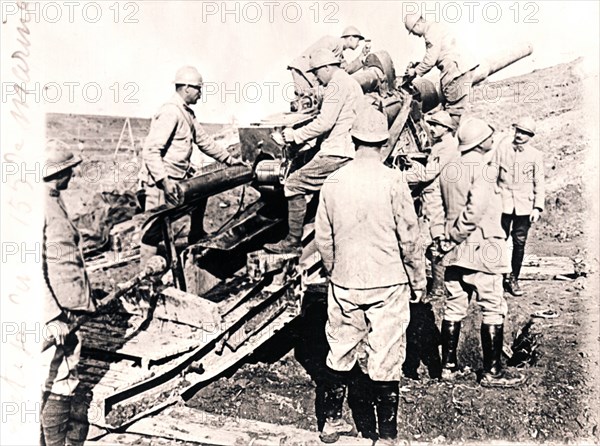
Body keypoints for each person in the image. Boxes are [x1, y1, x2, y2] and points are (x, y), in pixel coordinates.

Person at [315, 107, 427, 443]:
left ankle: (332, 421)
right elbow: (409, 235)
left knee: (340, 348)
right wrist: (418, 279)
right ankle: (387, 437)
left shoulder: (333, 180)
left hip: (345, 280)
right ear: (382, 143)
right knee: (386, 356)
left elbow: (323, 236)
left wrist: (335, 270)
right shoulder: (393, 180)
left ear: (353, 140)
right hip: (388, 281)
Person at [431, 117, 526, 387]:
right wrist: (456, 235)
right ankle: (493, 371)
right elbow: (475, 211)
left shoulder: (450, 168)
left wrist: (442, 237)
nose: (492, 140)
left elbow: (435, 206)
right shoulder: (484, 170)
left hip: (454, 253)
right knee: (493, 308)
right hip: (483, 250)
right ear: (479, 142)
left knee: (454, 306)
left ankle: (448, 367)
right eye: (489, 137)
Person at [139, 66, 242, 266]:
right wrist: (164, 181)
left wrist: (229, 160)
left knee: (200, 192)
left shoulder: (187, 113)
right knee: (152, 232)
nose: (200, 94)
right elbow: (151, 151)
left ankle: (196, 234)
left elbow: (204, 141)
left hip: (176, 177)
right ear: (186, 88)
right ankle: (145, 277)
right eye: (198, 89)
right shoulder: (170, 112)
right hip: (161, 181)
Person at [264, 48, 364, 255]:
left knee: (293, 183)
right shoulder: (350, 83)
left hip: (337, 152)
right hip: (348, 148)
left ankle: (292, 242)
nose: (316, 78)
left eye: (317, 72)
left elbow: (325, 122)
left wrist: (294, 136)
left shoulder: (337, 84)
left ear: (327, 67)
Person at [41, 140, 97, 445]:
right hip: (55, 310)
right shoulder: (38, 206)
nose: (73, 175)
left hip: (66, 305)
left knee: (62, 372)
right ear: (58, 172)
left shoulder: (51, 199)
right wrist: (51, 316)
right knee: (58, 377)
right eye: (69, 169)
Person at [496, 116, 545, 296]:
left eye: (524, 133)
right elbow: (493, 173)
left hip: (524, 207)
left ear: (530, 136)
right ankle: (496, 277)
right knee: (498, 240)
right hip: (502, 204)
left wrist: (537, 207)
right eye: (518, 131)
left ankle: (513, 278)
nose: (520, 135)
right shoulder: (502, 148)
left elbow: (539, 183)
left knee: (519, 243)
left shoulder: (535, 155)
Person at [404, 13, 478, 126]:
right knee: (451, 107)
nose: (415, 35)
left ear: (417, 24)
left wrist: (414, 71)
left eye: (413, 31)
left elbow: (431, 59)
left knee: (454, 112)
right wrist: (418, 65)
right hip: (461, 67)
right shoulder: (435, 27)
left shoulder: (431, 32)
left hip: (455, 71)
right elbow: (438, 55)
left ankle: (451, 139)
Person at [419, 110, 459, 298]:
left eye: (435, 125)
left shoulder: (446, 147)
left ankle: (438, 287)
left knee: (438, 241)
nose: (431, 128)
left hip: (437, 197)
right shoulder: (443, 144)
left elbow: (428, 174)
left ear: (445, 128)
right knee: (437, 240)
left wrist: (403, 174)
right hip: (434, 196)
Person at [288, 26, 369, 97]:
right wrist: (317, 84)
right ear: (351, 38)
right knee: (306, 101)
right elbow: (315, 56)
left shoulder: (339, 54)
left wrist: (362, 55)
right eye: (358, 40)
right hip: (303, 71)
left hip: (309, 74)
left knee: (312, 101)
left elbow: (345, 71)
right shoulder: (330, 41)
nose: (358, 44)